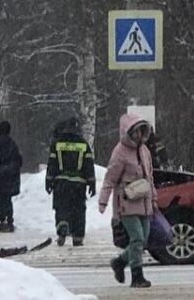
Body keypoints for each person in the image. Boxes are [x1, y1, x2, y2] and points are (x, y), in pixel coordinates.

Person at [99, 114, 156, 289]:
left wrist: (153, 198)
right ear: (128, 132)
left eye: (141, 130)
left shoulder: (144, 150)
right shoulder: (120, 152)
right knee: (137, 238)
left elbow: (150, 176)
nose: (139, 135)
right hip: (127, 202)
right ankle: (137, 276)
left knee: (143, 240)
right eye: (135, 131)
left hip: (144, 200)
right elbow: (110, 178)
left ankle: (120, 261)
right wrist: (104, 201)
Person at [46, 116, 95, 246]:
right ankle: (78, 237)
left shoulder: (57, 144)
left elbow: (52, 163)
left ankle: (62, 225)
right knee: (78, 210)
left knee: (61, 207)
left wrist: (49, 180)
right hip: (78, 184)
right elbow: (88, 164)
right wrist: (91, 182)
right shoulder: (83, 144)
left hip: (61, 183)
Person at [0, 121, 22, 233]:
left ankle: (3, 220)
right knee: (7, 200)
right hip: (8, 178)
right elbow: (18, 161)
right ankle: (9, 221)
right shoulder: (12, 144)